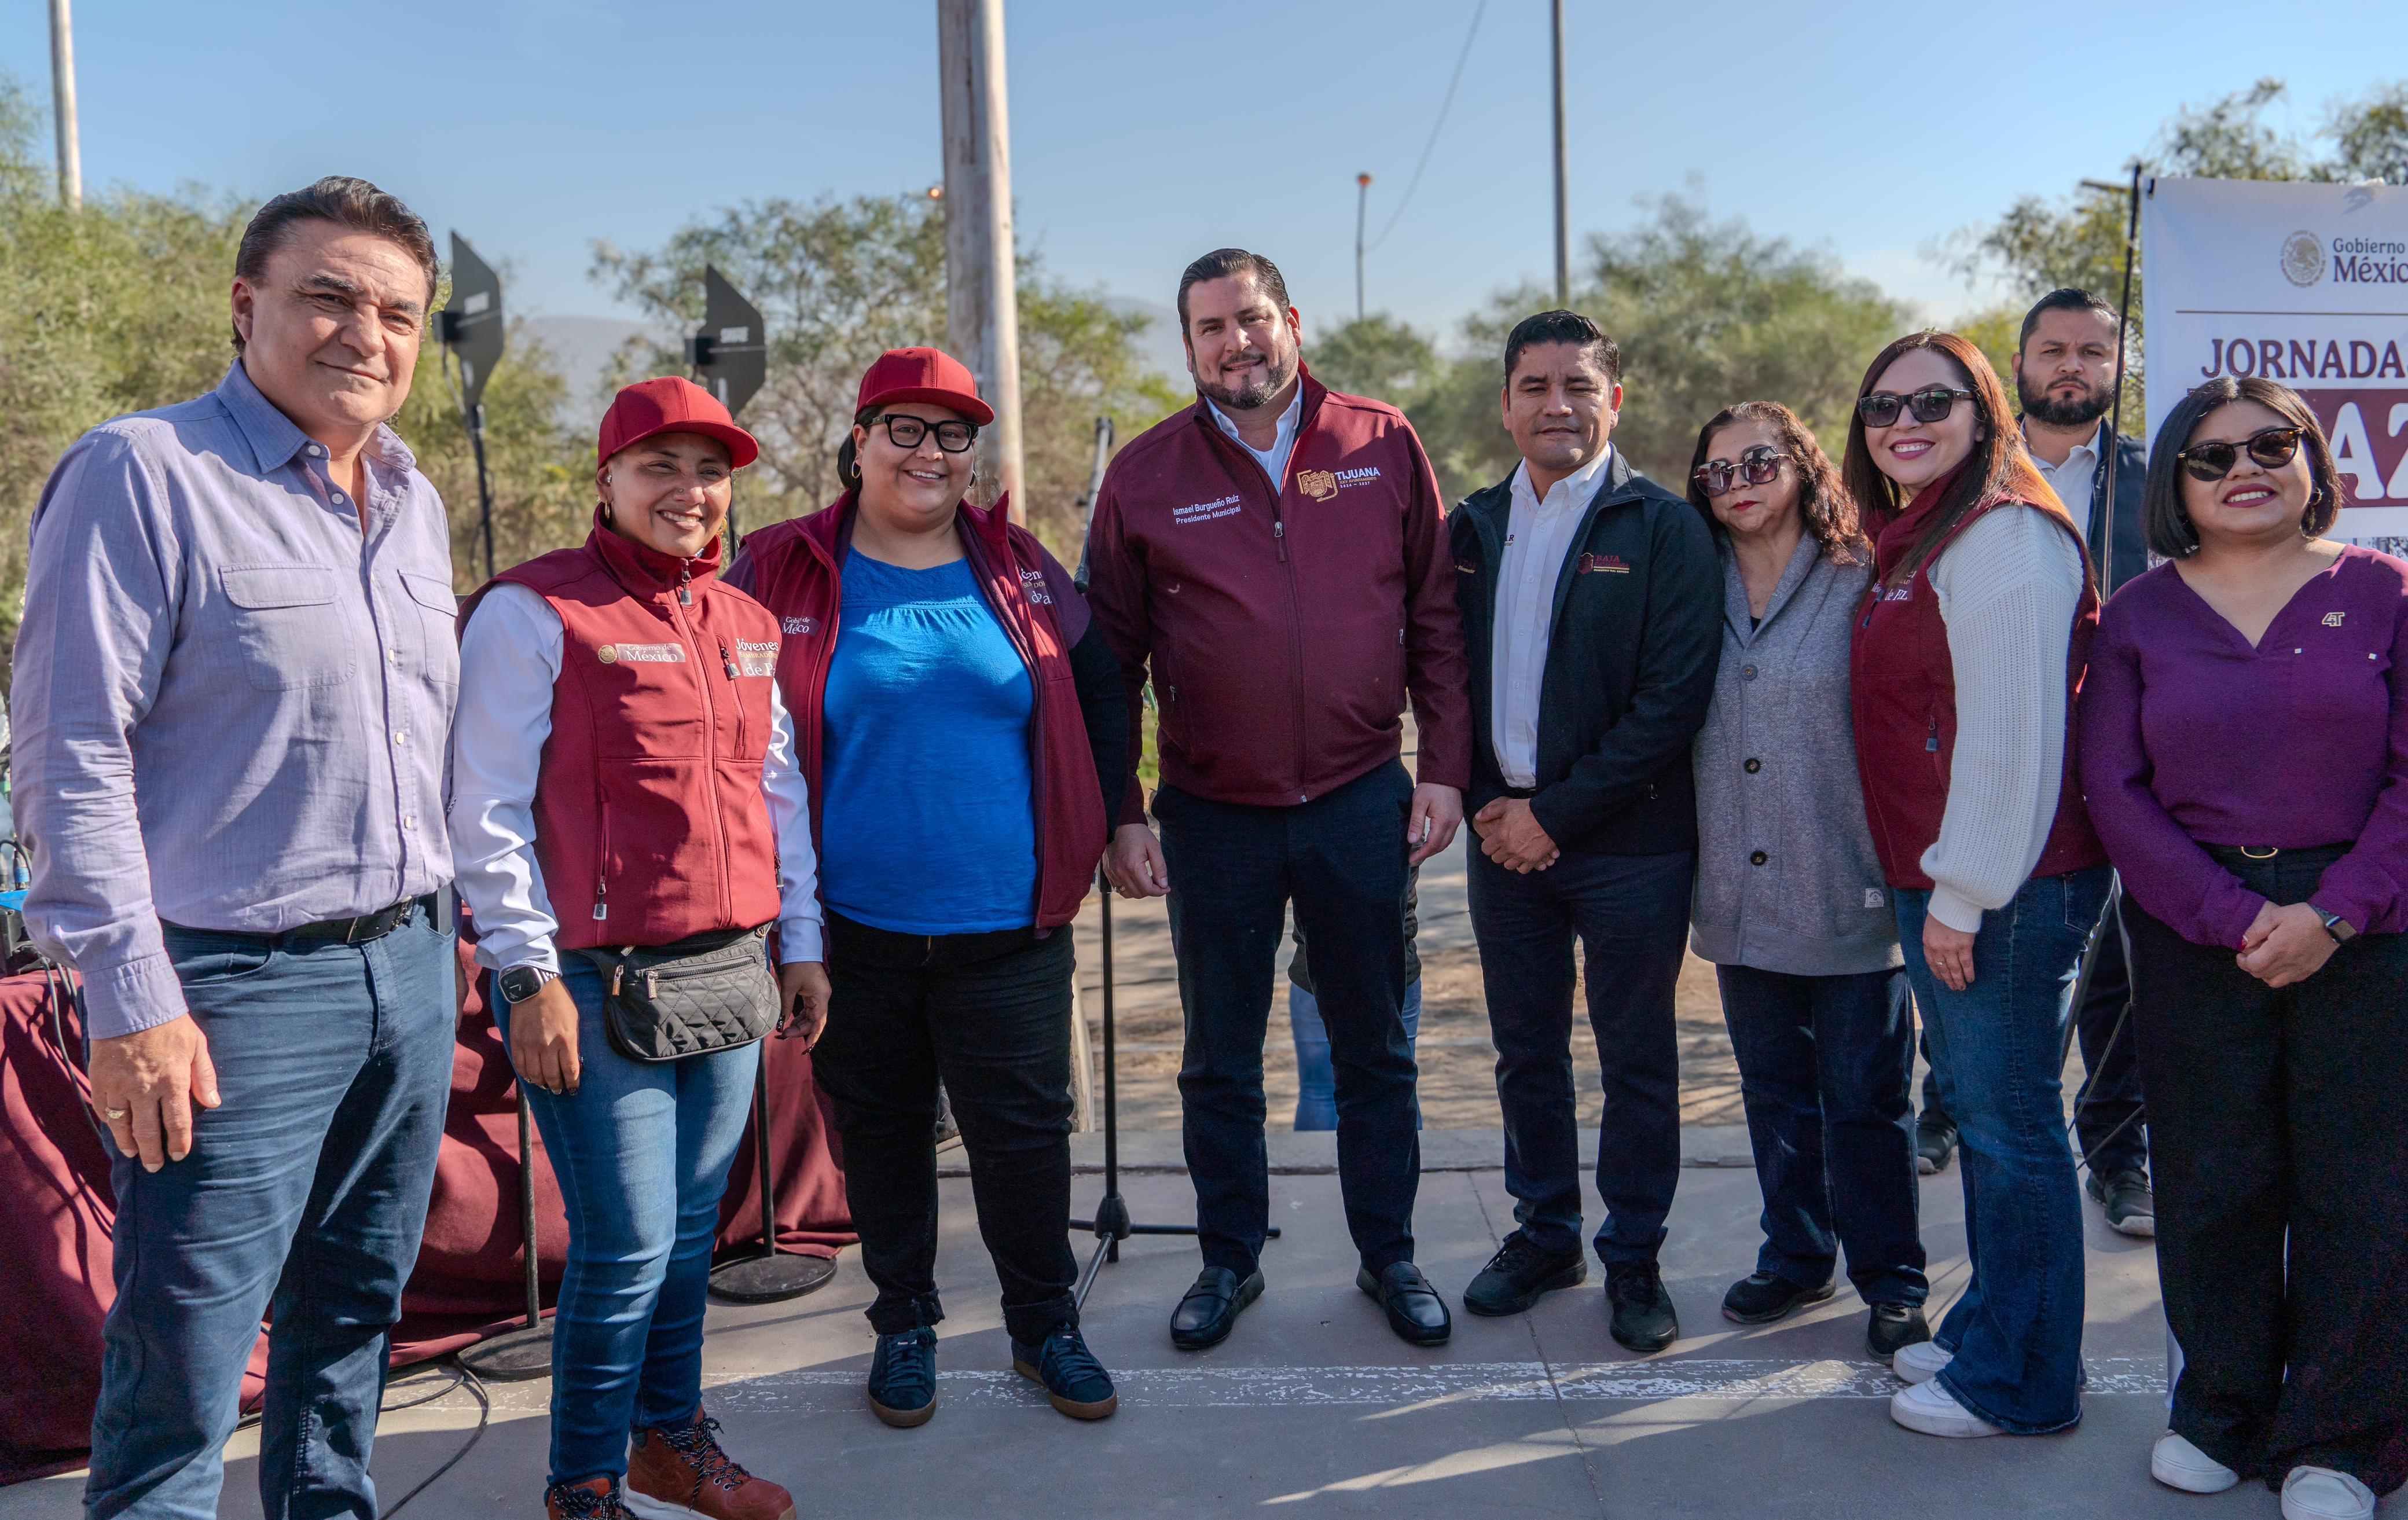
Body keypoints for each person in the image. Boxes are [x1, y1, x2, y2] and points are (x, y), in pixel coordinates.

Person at [12, 178, 458, 1519]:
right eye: (328, 295)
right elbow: (69, 751)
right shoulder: (141, 474)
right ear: (247, 304)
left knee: (352, 1332)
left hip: (414, 970)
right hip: (235, 995)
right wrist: (132, 1001)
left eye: (396, 311)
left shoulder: (412, 502)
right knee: (188, 1370)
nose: (363, 333)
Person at [727, 346, 1126, 1428]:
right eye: (904, 427)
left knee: (1024, 1134)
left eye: (954, 434)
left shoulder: (1022, 568)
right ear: (858, 443)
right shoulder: (778, 568)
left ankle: (1046, 1326)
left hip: (1012, 926)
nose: (931, 452)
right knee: (883, 1127)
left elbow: (1100, 698)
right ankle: (905, 1323)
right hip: (853, 930)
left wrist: (1125, 818)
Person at [1085, 248, 1471, 1350]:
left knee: (1376, 1050)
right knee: (1219, 1054)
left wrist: (1442, 764)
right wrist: (1126, 807)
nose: (1234, 344)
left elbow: (1438, 620)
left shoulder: (1381, 442)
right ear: (1190, 345)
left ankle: (1388, 1257)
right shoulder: (1147, 474)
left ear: (1291, 321)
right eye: (1209, 328)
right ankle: (1228, 1260)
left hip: (1361, 799)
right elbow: (1110, 661)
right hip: (1213, 815)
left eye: (1250, 319)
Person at [450, 376, 821, 1520]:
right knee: (623, 1247)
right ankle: (583, 1484)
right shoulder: (532, 611)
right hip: (590, 985)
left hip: (725, 976)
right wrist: (522, 973)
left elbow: (779, 791)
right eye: (659, 465)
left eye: (708, 470)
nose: (689, 491)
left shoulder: (748, 621)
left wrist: (798, 940)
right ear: (604, 480)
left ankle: (670, 1440)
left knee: (686, 1241)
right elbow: (485, 806)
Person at [2082, 376, 2408, 1520]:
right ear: (2175, 483)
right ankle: (2217, 1409)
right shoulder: (2136, 614)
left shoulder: (2384, 592)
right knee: (2215, 1179)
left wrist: (2333, 912)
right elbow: (2114, 791)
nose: (2243, 468)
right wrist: (2231, 916)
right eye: (2210, 457)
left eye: (2272, 444)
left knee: (2356, 1183)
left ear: (2315, 459)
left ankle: (2344, 1441)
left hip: (2364, 929)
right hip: (2191, 930)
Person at [1844, 329, 2112, 1440]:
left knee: (2010, 1130)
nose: (1904, 422)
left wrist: (1962, 893)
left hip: (2003, 886)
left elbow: (2011, 739)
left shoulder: (2005, 536)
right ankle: (1992, 1331)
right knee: (1993, 1120)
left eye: (1933, 401)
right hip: (1951, 879)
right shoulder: (1928, 534)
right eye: (1882, 406)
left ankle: (2027, 1382)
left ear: (1984, 410)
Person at [1447, 311, 1719, 1353]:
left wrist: (1553, 816)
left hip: (1629, 847)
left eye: (1578, 385)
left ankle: (1635, 1254)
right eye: (1534, 386)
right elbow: (1446, 679)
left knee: (1635, 1055)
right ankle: (1544, 1233)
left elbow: (1672, 700)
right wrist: (1492, 808)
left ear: (1617, 399)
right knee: (1525, 1051)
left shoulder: (1664, 528)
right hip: (1502, 838)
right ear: (1506, 401)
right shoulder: (1471, 528)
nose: (1556, 404)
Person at [1681, 402, 1929, 1360]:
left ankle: (1893, 1277)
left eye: (1758, 461)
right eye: (1717, 471)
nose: (1739, 481)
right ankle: (1795, 1254)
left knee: (1866, 1099)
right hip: (1739, 899)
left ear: (1803, 465)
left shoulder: (1866, 573)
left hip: (1850, 885)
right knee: (1775, 1093)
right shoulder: (1690, 583)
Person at [2007, 285, 2155, 1235]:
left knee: (2122, 960)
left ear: (2118, 368)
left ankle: (2118, 1150)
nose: (2072, 366)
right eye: (2054, 349)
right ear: (2019, 361)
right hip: (1994, 745)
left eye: (2093, 352)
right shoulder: (1973, 470)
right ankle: (1947, 1109)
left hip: (2128, 749)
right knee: (1978, 939)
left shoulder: (2166, 474)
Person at [1285, 877, 1422, 1131]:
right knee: (1397, 1086)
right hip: (1392, 967)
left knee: (1318, 1093)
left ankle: (1318, 1170)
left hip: (1315, 970)